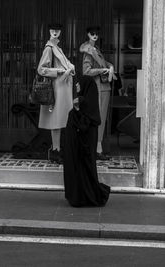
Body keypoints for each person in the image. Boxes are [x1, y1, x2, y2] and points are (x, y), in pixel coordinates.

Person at [63, 76, 111, 207]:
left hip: (84, 147)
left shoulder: (86, 106)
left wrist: (78, 110)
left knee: (86, 166)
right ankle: (80, 195)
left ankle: (86, 195)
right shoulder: (80, 105)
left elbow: (85, 123)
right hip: (78, 148)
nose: (77, 86)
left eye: (79, 84)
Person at [37, 23, 75, 163]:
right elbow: (41, 69)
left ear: (60, 32)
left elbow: (67, 64)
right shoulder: (49, 48)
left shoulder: (57, 48)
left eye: (57, 30)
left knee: (60, 121)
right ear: (48, 31)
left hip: (62, 88)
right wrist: (58, 71)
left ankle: (57, 149)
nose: (55, 32)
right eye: (52, 29)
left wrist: (70, 68)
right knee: (55, 120)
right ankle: (55, 150)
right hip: (56, 88)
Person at [79, 26, 117, 160]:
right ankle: (96, 149)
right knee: (97, 118)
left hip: (103, 87)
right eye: (92, 33)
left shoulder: (96, 49)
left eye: (96, 34)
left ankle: (97, 148)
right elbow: (86, 71)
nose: (95, 35)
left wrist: (110, 66)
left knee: (101, 117)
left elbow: (104, 63)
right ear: (88, 35)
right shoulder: (88, 51)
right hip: (97, 88)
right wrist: (102, 70)